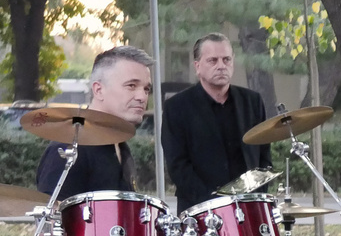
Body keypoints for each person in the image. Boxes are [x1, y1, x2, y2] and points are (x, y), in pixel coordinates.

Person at [162, 33, 273, 213]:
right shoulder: (176, 107)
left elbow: (263, 156)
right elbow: (178, 166)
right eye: (213, 61)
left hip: (249, 210)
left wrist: (254, 198)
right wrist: (215, 204)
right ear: (197, 66)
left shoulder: (252, 101)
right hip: (199, 212)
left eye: (226, 60)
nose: (221, 66)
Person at [35, 46, 154, 199]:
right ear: (98, 90)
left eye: (146, 89)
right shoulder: (68, 148)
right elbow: (52, 219)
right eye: (131, 86)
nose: (142, 97)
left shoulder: (121, 147)